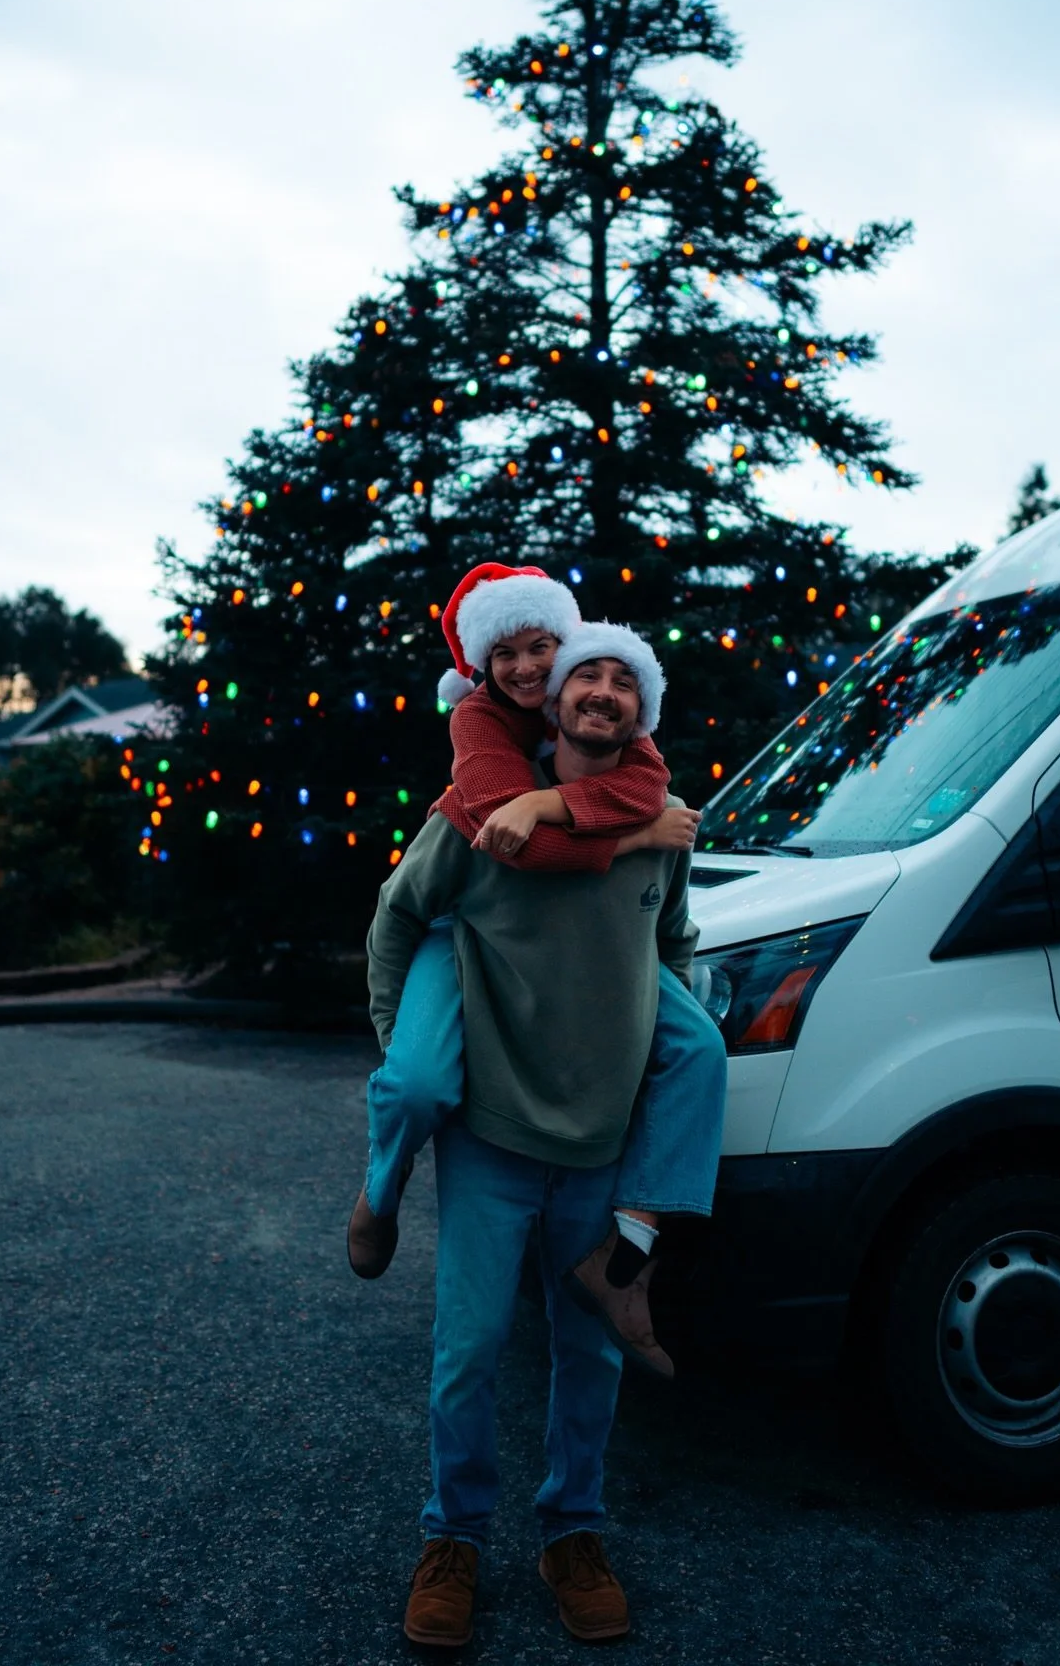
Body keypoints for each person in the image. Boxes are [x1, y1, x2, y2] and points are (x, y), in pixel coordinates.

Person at [365, 622, 709, 1646]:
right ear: (550, 703)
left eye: (623, 684)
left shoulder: (664, 829)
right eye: (583, 679)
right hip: (495, 1140)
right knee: (468, 1354)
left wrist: (655, 1078)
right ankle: (454, 1539)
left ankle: (572, 1531)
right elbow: (394, 918)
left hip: (599, 1143)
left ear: (639, 715)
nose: (602, 693)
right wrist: (404, 1054)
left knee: (589, 1353)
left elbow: (673, 948)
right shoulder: (479, 823)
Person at [347, 564, 725, 1377]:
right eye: (505, 653)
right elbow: (522, 852)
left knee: (700, 1048)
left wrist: (552, 800)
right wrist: (617, 832)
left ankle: (632, 1250)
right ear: (482, 666)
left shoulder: (610, 711)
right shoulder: (480, 724)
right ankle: (382, 1188)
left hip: (595, 937)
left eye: (541, 648)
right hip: (467, 922)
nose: (523, 667)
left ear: (565, 654)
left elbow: (646, 787)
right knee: (416, 1081)